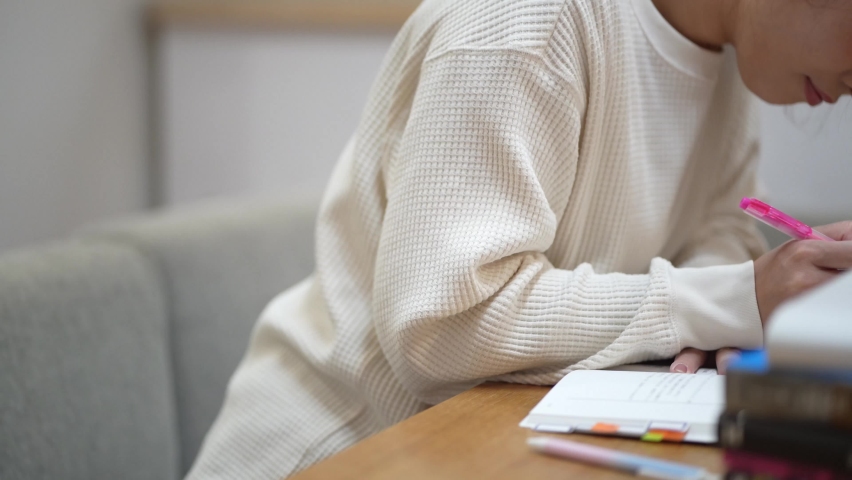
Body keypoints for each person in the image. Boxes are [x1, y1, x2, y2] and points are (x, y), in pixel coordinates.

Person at [187, 0, 852, 478]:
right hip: (343, 447)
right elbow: (441, 325)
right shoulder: (523, 23)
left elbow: (718, 227)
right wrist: (728, 299)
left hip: (492, 440)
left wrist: (721, 308)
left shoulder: (730, 69)